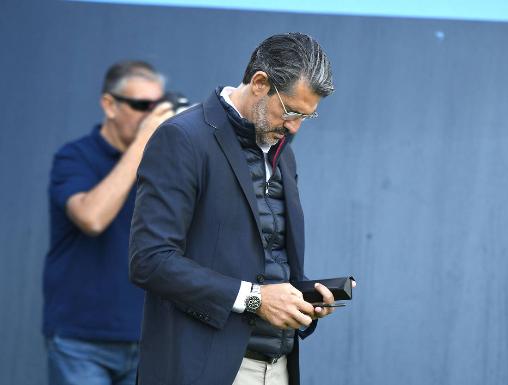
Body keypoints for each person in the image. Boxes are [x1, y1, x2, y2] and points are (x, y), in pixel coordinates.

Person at [129, 33, 353, 385]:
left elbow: (267, 261)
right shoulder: (182, 138)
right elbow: (151, 261)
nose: (294, 127)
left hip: (279, 366)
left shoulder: (283, 152)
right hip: (204, 369)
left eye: (306, 117)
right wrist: (255, 300)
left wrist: (302, 299)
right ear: (260, 83)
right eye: (292, 111)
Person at [42, 60, 174, 385]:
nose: (150, 115)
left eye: (156, 106)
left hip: (147, 337)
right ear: (109, 104)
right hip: (81, 341)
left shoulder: (163, 164)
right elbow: (92, 218)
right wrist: (143, 143)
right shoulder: (75, 157)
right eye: (141, 105)